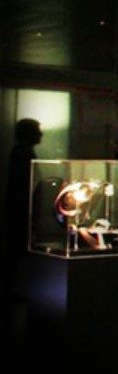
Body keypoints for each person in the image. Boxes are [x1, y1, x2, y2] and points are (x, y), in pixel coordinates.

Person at [2, 118, 43, 301]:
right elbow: (22, 188)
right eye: (37, 130)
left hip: (19, 212)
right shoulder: (23, 154)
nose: (41, 134)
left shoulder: (20, 153)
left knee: (15, 254)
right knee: (16, 254)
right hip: (20, 213)